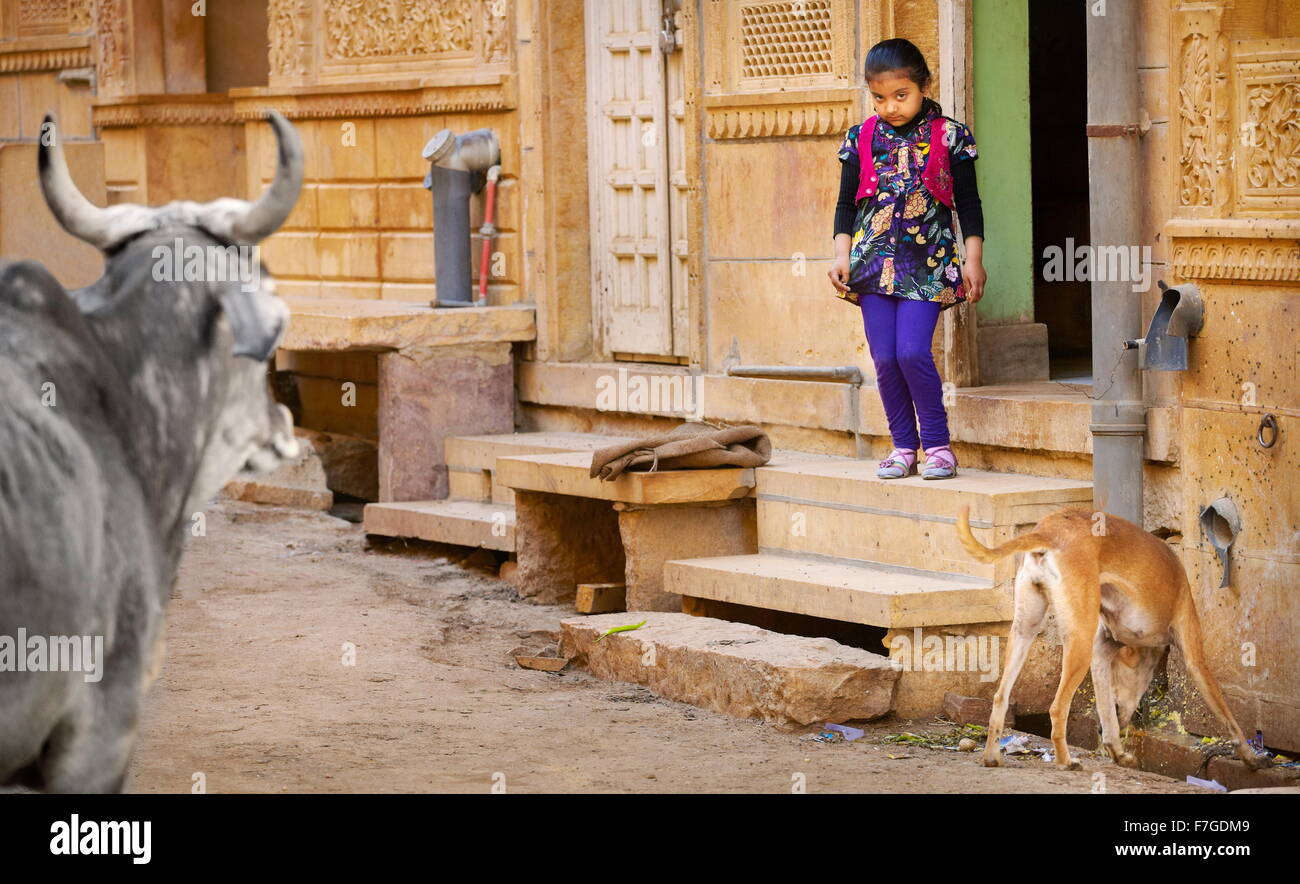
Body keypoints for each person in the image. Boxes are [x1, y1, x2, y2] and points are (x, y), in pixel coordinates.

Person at [828, 38, 986, 479]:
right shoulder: (859, 138)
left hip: (928, 264)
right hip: (871, 265)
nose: (891, 107)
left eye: (901, 95)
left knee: (913, 351)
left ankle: (937, 446)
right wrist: (841, 255)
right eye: (879, 98)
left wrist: (973, 260)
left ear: (923, 87)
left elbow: (969, 204)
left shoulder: (951, 135)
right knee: (884, 358)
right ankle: (903, 447)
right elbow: (845, 204)